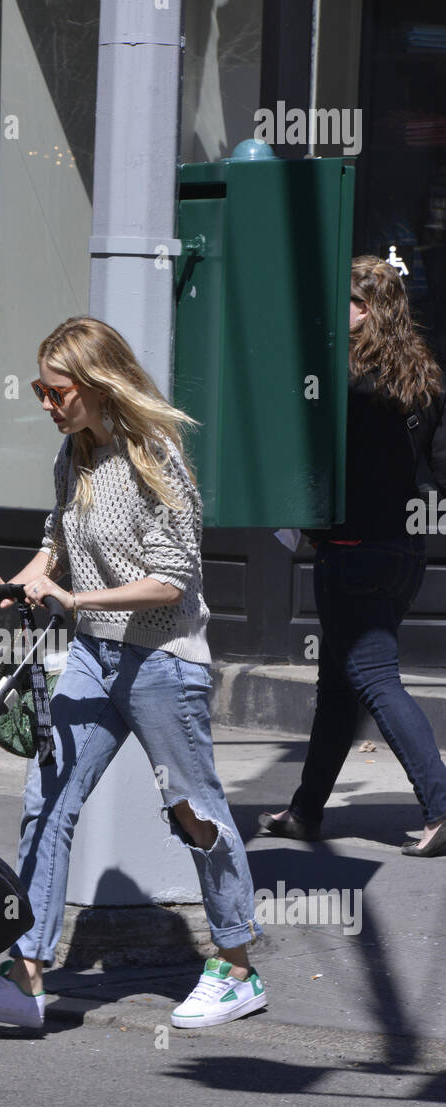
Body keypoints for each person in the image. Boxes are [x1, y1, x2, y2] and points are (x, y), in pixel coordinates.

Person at [0, 316, 265, 1030]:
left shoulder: (154, 458)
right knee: (48, 799)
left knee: (193, 812)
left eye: (57, 391)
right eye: (40, 390)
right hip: (95, 659)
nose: (46, 402)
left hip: (163, 660)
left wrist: (76, 600)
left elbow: (172, 581)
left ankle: (235, 966)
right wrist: (10, 584)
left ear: (98, 385)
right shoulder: (72, 457)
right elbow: (55, 546)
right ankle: (28, 968)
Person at [260, 256, 446, 857]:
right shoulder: (423, 378)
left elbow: (313, 465)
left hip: (351, 551)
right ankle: (306, 812)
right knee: (339, 686)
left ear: (365, 311)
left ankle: (442, 805)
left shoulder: (345, 382)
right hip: (403, 550)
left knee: (371, 677)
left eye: (343, 303)